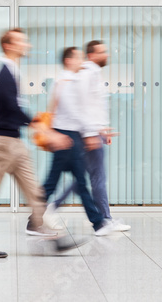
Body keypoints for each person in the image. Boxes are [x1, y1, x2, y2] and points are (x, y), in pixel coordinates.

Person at [0, 28, 73, 258]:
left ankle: (52, 236)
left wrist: (37, 124)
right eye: (21, 41)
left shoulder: (14, 70)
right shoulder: (5, 71)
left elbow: (15, 109)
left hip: (14, 141)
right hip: (4, 142)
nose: (27, 44)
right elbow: (11, 108)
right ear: (9, 46)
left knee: (34, 192)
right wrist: (43, 128)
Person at [46, 41, 130, 233]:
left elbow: (94, 105)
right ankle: (103, 220)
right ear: (92, 55)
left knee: (82, 179)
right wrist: (92, 133)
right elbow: (82, 105)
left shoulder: (92, 73)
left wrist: (101, 129)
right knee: (94, 178)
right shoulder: (88, 73)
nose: (106, 54)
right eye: (102, 52)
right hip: (87, 134)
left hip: (91, 132)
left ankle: (56, 208)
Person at [41, 47, 109, 236]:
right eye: (78, 57)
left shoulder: (66, 79)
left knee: (78, 181)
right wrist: (91, 133)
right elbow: (75, 111)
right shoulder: (67, 80)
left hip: (69, 135)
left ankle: (98, 223)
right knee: (55, 183)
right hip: (66, 137)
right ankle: (34, 219)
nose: (82, 61)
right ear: (69, 60)